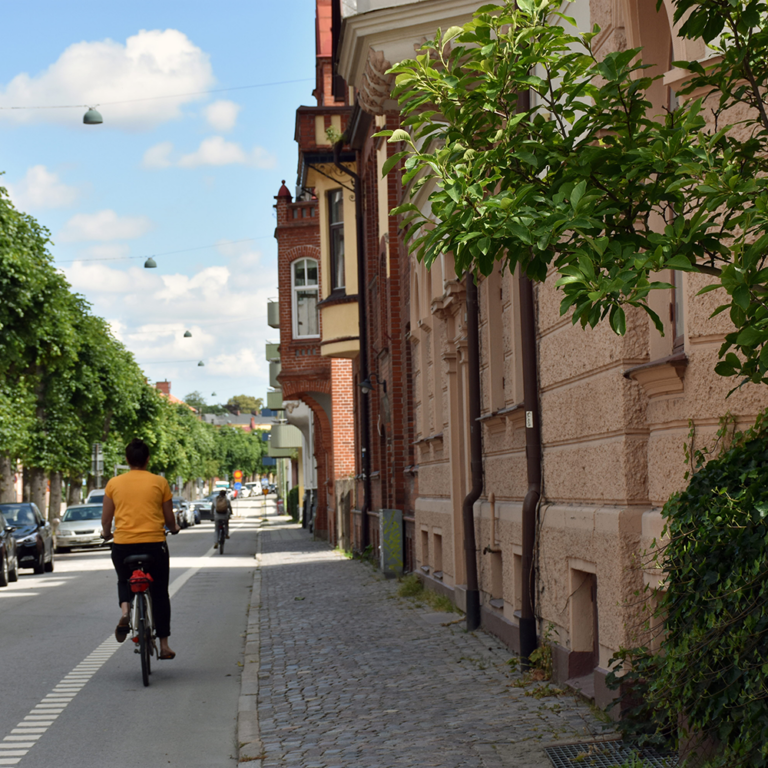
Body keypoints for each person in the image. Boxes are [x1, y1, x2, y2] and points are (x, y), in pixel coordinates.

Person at [101, 438, 180, 660]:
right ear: (147, 459)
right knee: (160, 592)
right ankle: (164, 645)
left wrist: (106, 534)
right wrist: (174, 528)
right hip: (154, 545)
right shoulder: (159, 483)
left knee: (123, 579)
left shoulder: (113, 484)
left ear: (127, 460)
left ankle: (126, 612)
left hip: (123, 545)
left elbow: (106, 520)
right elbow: (169, 518)